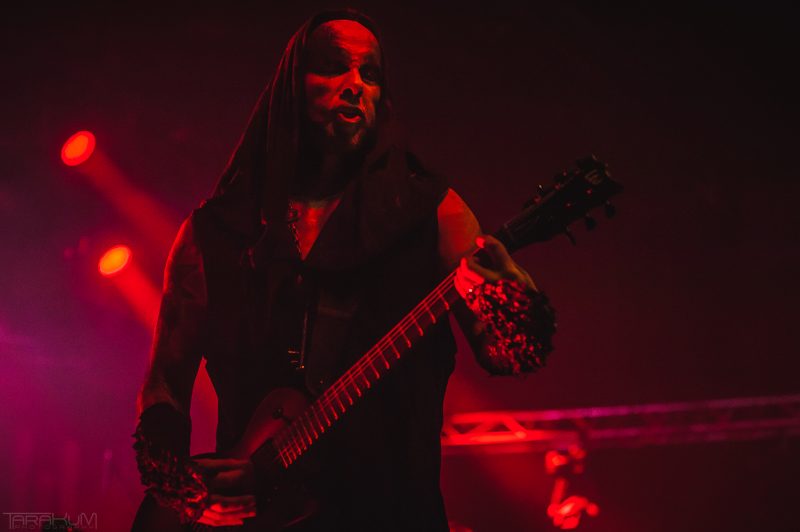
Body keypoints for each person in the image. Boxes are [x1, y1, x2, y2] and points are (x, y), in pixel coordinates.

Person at [133, 9, 554, 531]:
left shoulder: (431, 212)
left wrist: (514, 294)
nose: (355, 85)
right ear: (291, 86)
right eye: (334, 67)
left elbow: (508, 355)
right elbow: (165, 384)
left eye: (370, 73)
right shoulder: (216, 233)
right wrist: (185, 493)